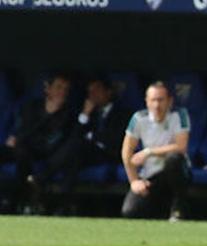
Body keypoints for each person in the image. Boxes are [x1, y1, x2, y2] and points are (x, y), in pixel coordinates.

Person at [29, 75, 130, 215]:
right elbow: (75, 135)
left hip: (109, 154)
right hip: (85, 154)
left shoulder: (123, 113)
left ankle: (43, 178)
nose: (92, 95)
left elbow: (116, 139)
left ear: (108, 92)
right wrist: (85, 114)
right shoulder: (89, 114)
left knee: (77, 148)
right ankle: (64, 203)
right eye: (90, 92)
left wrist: (92, 136)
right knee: (75, 155)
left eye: (97, 90)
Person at [120, 81, 191, 221]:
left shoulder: (180, 115)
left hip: (176, 172)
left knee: (174, 159)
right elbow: (126, 151)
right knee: (130, 211)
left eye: (161, 100)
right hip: (150, 175)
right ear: (147, 101)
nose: (157, 105)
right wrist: (134, 181)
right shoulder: (139, 118)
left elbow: (181, 147)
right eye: (153, 100)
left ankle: (178, 209)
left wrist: (148, 152)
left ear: (169, 101)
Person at [10, 73, 75, 214]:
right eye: (58, 87)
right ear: (47, 88)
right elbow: (24, 134)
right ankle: (21, 199)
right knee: (20, 150)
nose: (62, 92)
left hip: (53, 153)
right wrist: (48, 115)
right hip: (30, 150)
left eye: (65, 89)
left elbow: (62, 138)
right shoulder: (32, 107)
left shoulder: (69, 113)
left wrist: (54, 114)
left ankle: (37, 190)